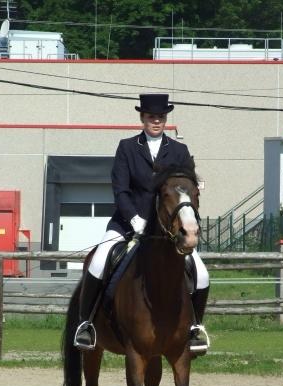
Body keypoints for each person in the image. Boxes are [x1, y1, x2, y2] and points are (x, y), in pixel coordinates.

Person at [74, 93, 210, 353]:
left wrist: (186, 220)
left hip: (166, 231)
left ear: (165, 119)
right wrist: (134, 218)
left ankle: (195, 328)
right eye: (151, 117)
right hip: (128, 224)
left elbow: (188, 191)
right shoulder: (127, 147)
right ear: (142, 118)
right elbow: (120, 189)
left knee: (201, 274)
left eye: (160, 117)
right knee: (99, 261)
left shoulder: (179, 151)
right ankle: (86, 324)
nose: (156, 121)